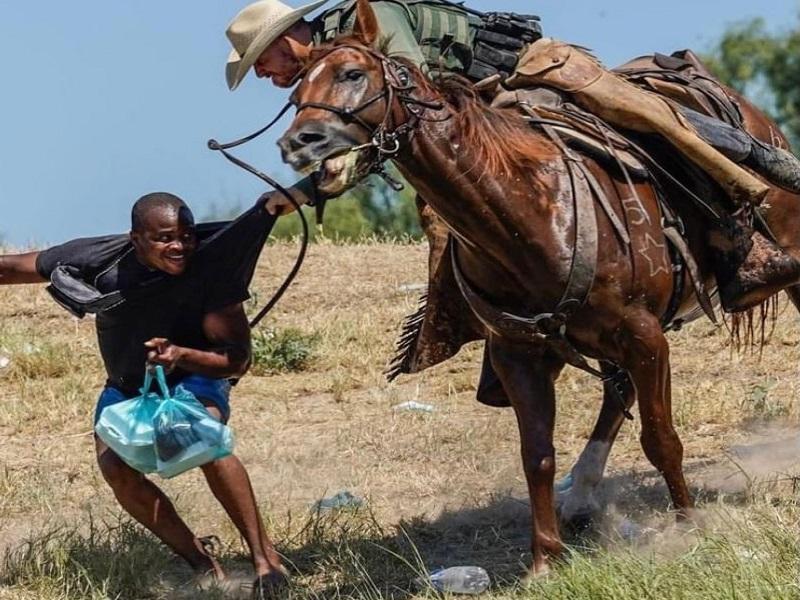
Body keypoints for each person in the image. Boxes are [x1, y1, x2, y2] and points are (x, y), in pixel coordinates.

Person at [226, 0, 800, 313]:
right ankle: (489, 322)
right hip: (479, 116)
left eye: (261, 62)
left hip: (530, 76)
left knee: (644, 120)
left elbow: (412, 102)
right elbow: (367, 141)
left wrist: (321, 178)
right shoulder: (326, 80)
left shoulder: (366, 16)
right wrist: (304, 190)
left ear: (285, 41)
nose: (264, 76)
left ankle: (744, 210)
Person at [0, 192, 296, 599]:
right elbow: (11, 268)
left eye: (187, 236)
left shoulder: (213, 269)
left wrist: (181, 355)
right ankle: (203, 566)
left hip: (194, 377)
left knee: (203, 438)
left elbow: (236, 361)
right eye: (164, 238)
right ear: (136, 238)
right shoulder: (97, 258)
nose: (180, 247)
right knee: (116, 471)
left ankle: (266, 561)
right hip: (125, 387)